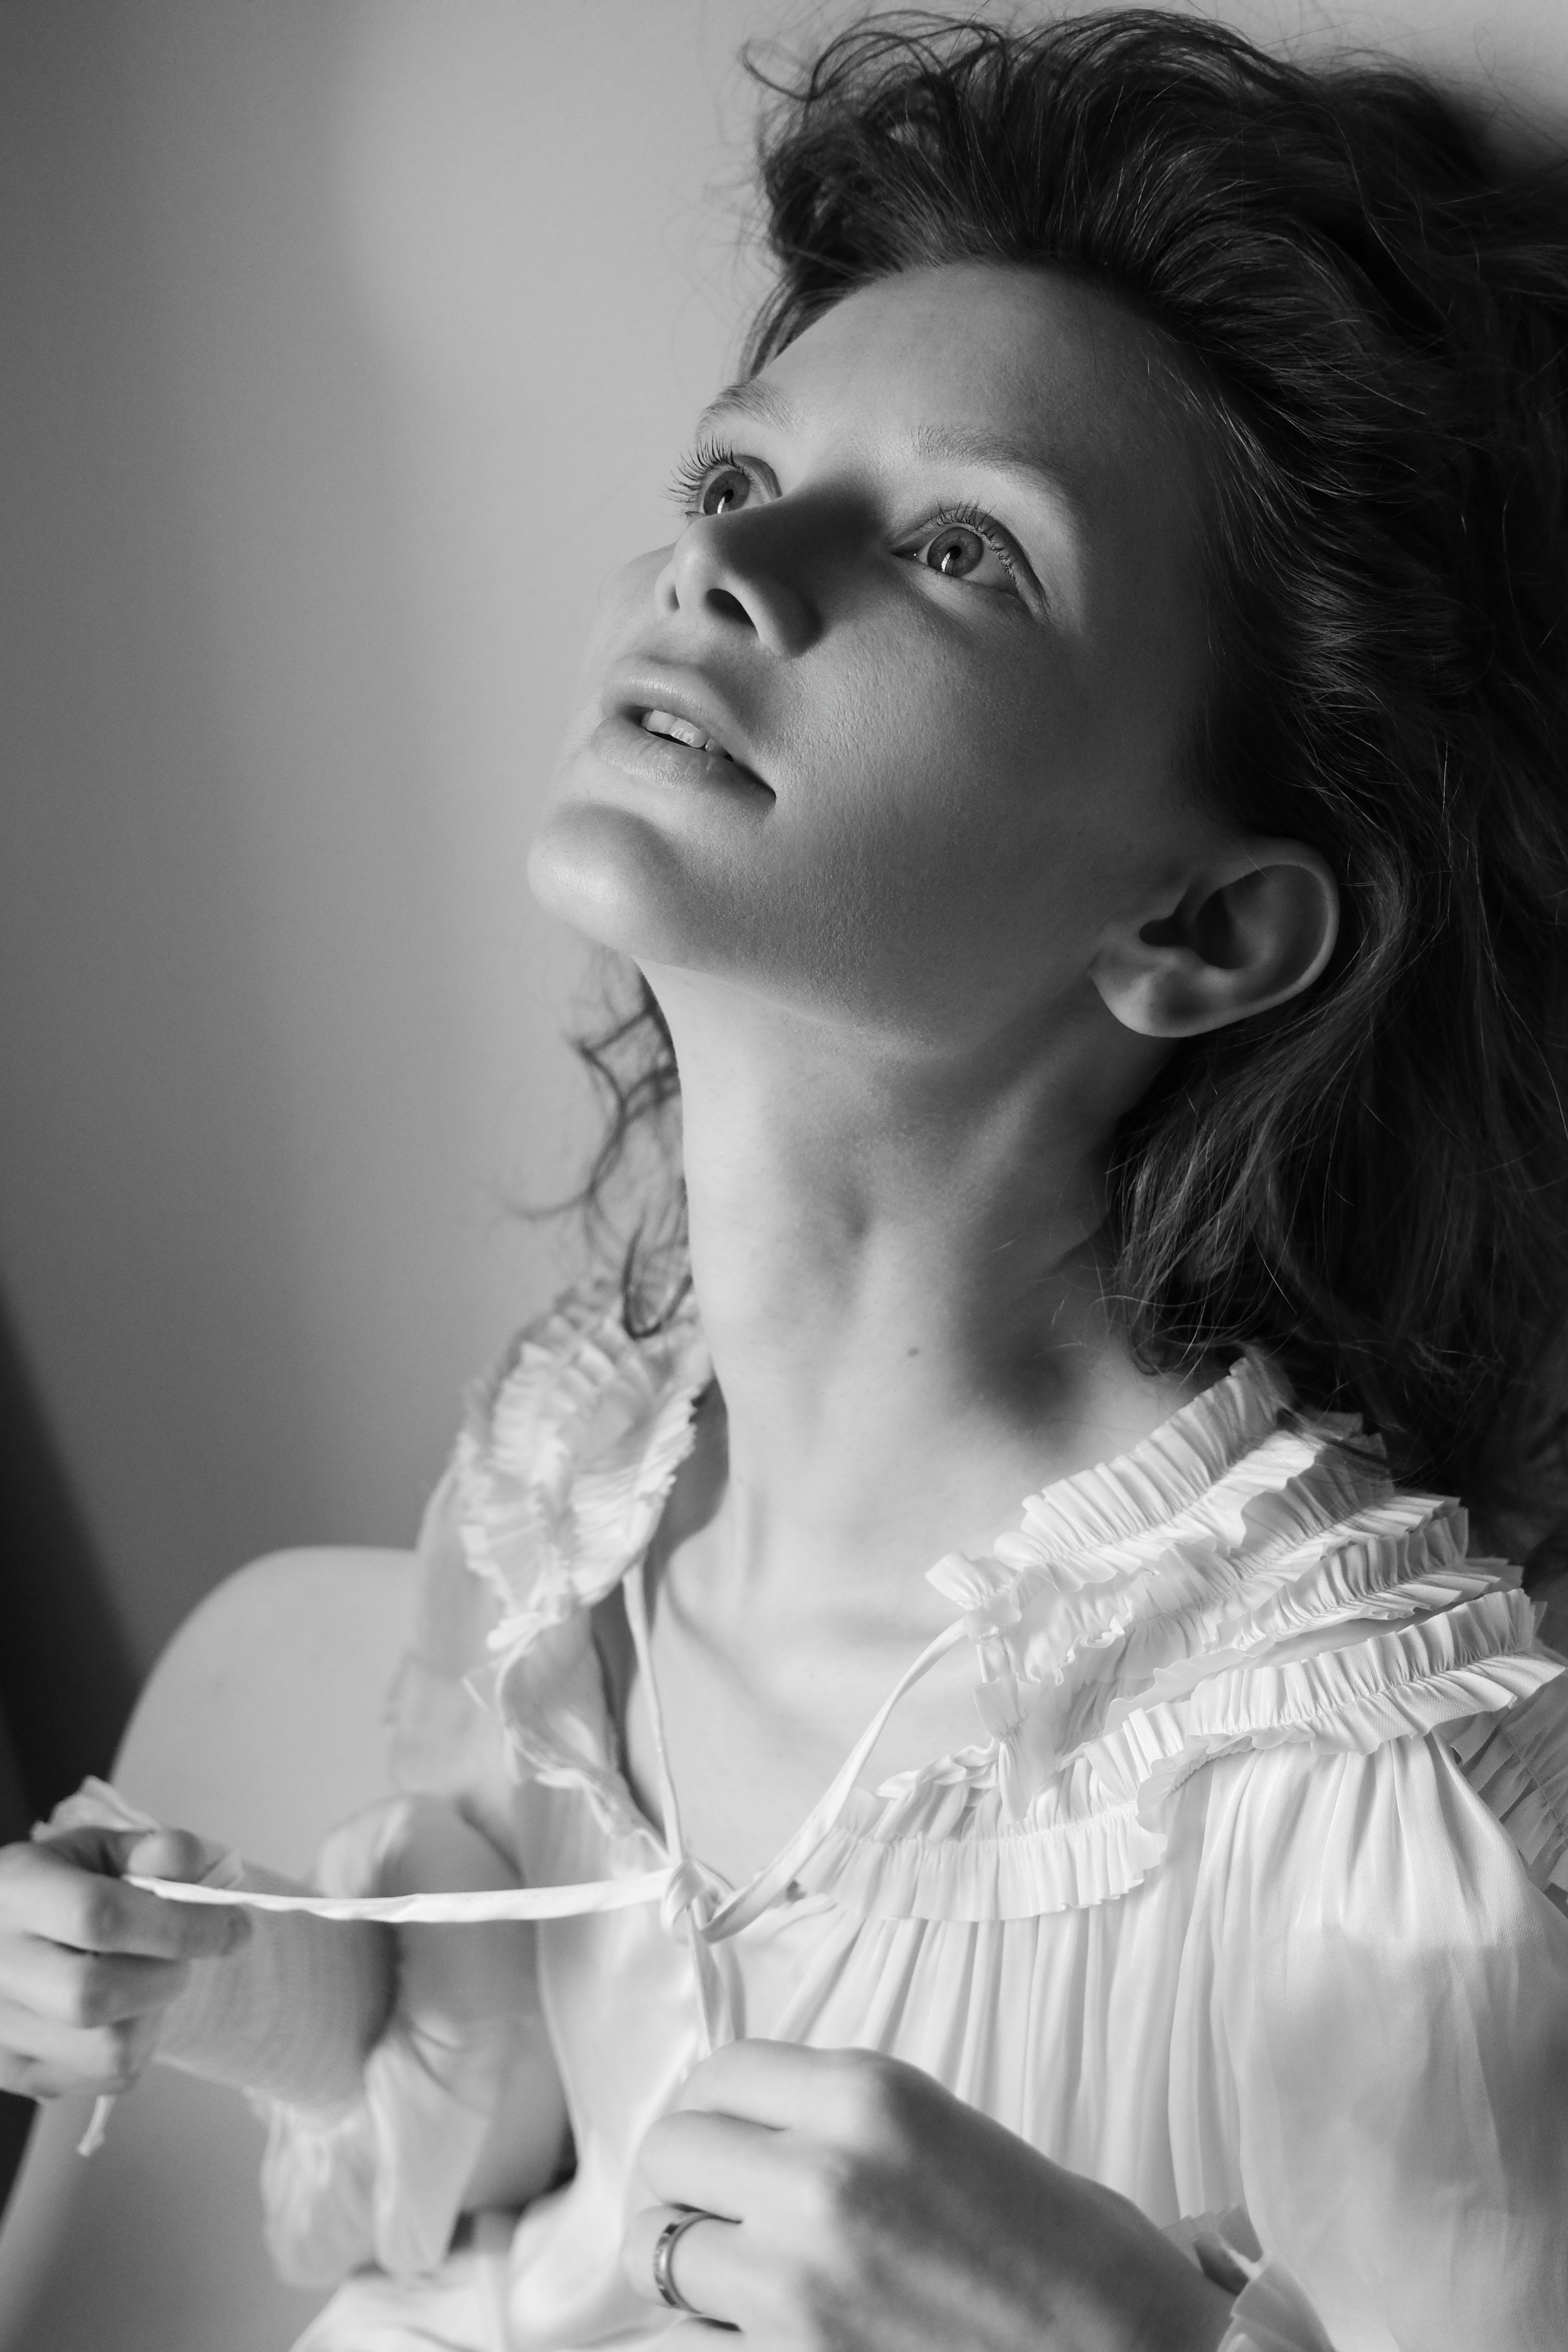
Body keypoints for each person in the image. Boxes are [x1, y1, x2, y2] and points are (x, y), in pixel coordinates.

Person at [4, 10, 1568, 2347]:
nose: (727, 564)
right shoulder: (560, 1501)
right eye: (737, 472)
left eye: (961, 546)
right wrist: (247, 1979)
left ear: (1204, 926)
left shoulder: (1374, 1820)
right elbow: (531, 2107)